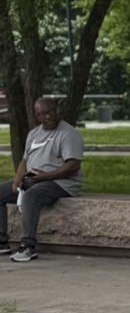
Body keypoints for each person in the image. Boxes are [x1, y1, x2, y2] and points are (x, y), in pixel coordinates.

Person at [1, 97, 84, 262]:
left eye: (49, 112)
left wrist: (45, 177)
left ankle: (28, 246)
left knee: (32, 195)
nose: (46, 117)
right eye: (41, 114)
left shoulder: (68, 133)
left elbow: (73, 165)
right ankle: (2, 242)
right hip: (34, 179)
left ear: (56, 110)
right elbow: (25, 161)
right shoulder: (34, 134)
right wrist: (18, 180)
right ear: (36, 116)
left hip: (60, 182)